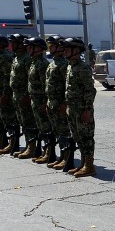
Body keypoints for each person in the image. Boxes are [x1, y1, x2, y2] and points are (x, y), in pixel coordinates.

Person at [63, 38, 96, 177]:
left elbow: (90, 90)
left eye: (67, 48)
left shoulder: (83, 68)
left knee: (86, 137)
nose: (64, 51)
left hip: (82, 109)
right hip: (73, 108)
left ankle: (89, 165)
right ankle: (83, 163)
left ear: (75, 50)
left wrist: (87, 109)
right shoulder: (70, 66)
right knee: (77, 136)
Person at [43, 35, 70, 168]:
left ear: (60, 47)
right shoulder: (53, 63)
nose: (50, 48)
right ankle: (61, 156)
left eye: (52, 45)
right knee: (57, 131)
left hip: (60, 104)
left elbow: (68, 85)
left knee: (64, 131)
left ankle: (66, 158)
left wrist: (65, 103)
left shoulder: (64, 64)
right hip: (52, 102)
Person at [9, 33, 35, 158]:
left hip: (24, 95)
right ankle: (27, 146)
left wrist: (27, 95)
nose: (12, 45)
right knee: (22, 122)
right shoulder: (16, 57)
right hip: (16, 95)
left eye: (14, 43)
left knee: (29, 122)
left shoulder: (26, 58)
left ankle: (32, 147)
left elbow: (31, 79)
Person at [26, 37, 51, 164]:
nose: (28, 49)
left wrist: (44, 102)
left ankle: (48, 153)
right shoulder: (34, 62)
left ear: (39, 49)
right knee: (41, 127)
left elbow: (44, 85)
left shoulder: (42, 64)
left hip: (40, 101)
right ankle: (44, 151)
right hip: (35, 100)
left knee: (46, 127)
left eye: (31, 47)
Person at [0, 35, 19, 154]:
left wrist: (5, 93)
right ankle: (5, 142)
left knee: (9, 118)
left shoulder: (5, 57)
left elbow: (8, 77)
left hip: (4, 91)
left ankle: (12, 143)